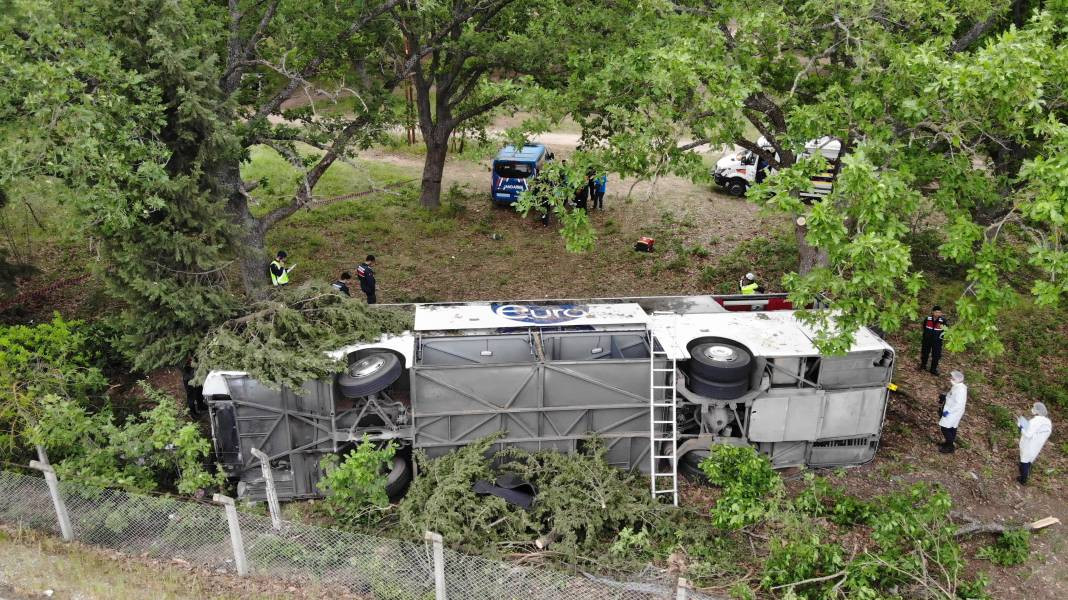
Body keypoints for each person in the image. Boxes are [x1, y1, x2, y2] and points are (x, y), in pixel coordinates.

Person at [1017, 402, 1052, 485]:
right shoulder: (1048, 422)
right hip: (1037, 445)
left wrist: (1020, 426)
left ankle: (1023, 480)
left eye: (1034, 408)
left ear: (1038, 410)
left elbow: (1028, 433)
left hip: (1029, 444)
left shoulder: (1036, 420)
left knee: (1024, 461)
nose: (1032, 409)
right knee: (1029, 460)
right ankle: (1026, 473)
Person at [937, 370, 967, 454]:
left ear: (958, 380)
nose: (951, 379)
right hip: (952, 411)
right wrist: (945, 396)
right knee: (952, 428)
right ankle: (947, 443)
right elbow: (952, 396)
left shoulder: (960, 389)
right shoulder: (957, 386)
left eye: (953, 378)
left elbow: (958, 404)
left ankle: (950, 446)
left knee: (945, 428)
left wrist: (948, 412)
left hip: (953, 412)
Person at [919, 305, 947, 375]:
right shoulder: (927, 319)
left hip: (937, 341)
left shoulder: (943, 321)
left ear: (941, 313)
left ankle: (933, 369)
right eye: (936, 312)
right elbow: (924, 327)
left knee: (936, 355)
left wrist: (940, 337)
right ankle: (923, 366)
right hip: (927, 340)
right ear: (932, 312)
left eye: (939, 312)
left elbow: (945, 330)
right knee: (925, 353)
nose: (937, 314)